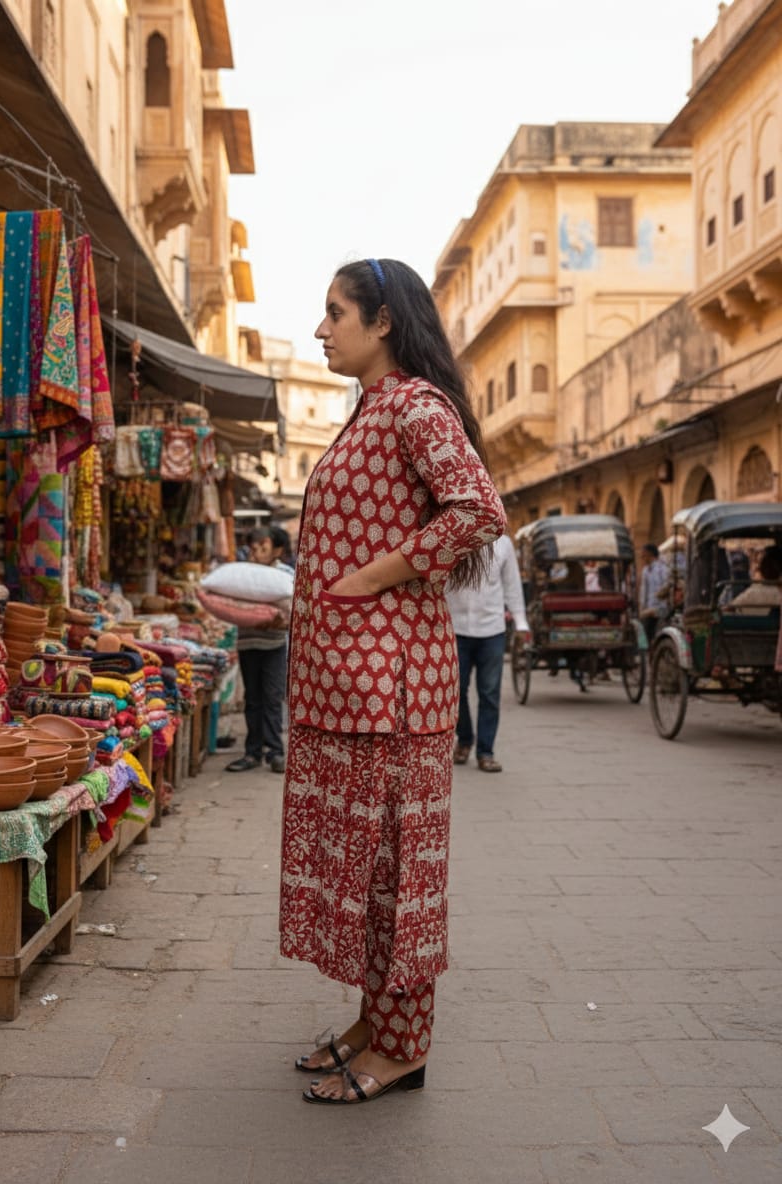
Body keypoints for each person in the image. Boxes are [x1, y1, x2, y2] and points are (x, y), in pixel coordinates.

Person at [280, 257, 505, 1105]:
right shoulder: (369, 410)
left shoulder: (414, 406)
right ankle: (374, 1023)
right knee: (366, 874)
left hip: (392, 691)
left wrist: (370, 579)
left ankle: (404, 1046)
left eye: (335, 312)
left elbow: (477, 510)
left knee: (395, 877)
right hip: (346, 687)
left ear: (382, 322)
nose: (321, 329)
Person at [446, 535, 528, 773]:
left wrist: (521, 621)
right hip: (455, 628)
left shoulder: (503, 544)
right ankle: (464, 739)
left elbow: (512, 585)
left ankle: (485, 752)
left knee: (490, 693)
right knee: (456, 691)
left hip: (492, 630)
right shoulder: (452, 538)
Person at [224, 527, 293, 775]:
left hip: (275, 645)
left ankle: (275, 752)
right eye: (254, 546)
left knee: (272, 698)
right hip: (248, 643)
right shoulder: (244, 573)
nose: (256, 551)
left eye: (263, 546)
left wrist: (280, 621)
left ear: (277, 550)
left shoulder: (285, 574)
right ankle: (252, 752)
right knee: (252, 699)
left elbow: (295, 607)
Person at [639, 542, 670, 642]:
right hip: (649, 608)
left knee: (658, 634)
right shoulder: (645, 571)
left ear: (650, 554)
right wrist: (642, 607)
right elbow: (644, 591)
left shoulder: (662, 569)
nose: (642, 557)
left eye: (643, 554)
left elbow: (666, 587)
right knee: (646, 634)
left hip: (661, 608)